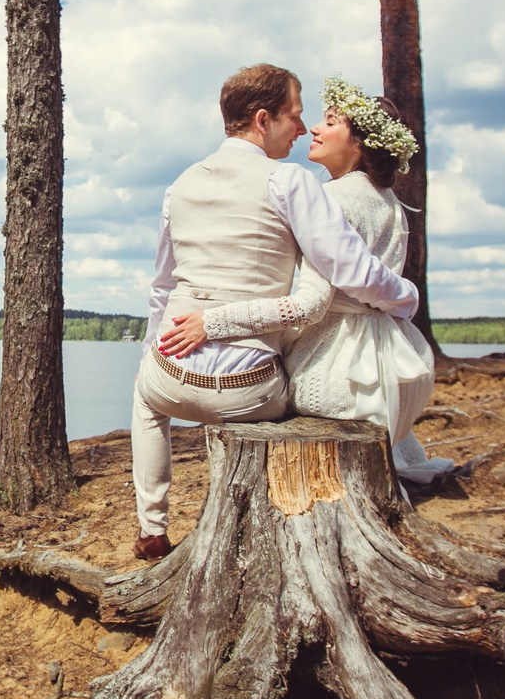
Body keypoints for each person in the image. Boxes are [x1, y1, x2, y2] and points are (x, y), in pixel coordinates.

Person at [129, 64, 420, 561]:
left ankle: (152, 527)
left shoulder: (179, 184)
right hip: (248, 393)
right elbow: (347, 269)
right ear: (263, 120)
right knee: (306, 389)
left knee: (145, 401)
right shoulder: (290, 181)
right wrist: (406, 298)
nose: (303, 129)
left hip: (170, 373)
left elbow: (161, 284)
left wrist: (158, 345)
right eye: (295, 116)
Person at [157, 76, 457, 493]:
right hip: (396, 355)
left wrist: (212, 323)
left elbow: (316, 301)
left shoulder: (329, 198)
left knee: (260, 395)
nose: (313, 128)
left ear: (360, 143)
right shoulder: (390, 201)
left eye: (330, 122)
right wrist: (406, 299)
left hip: (343, 366)